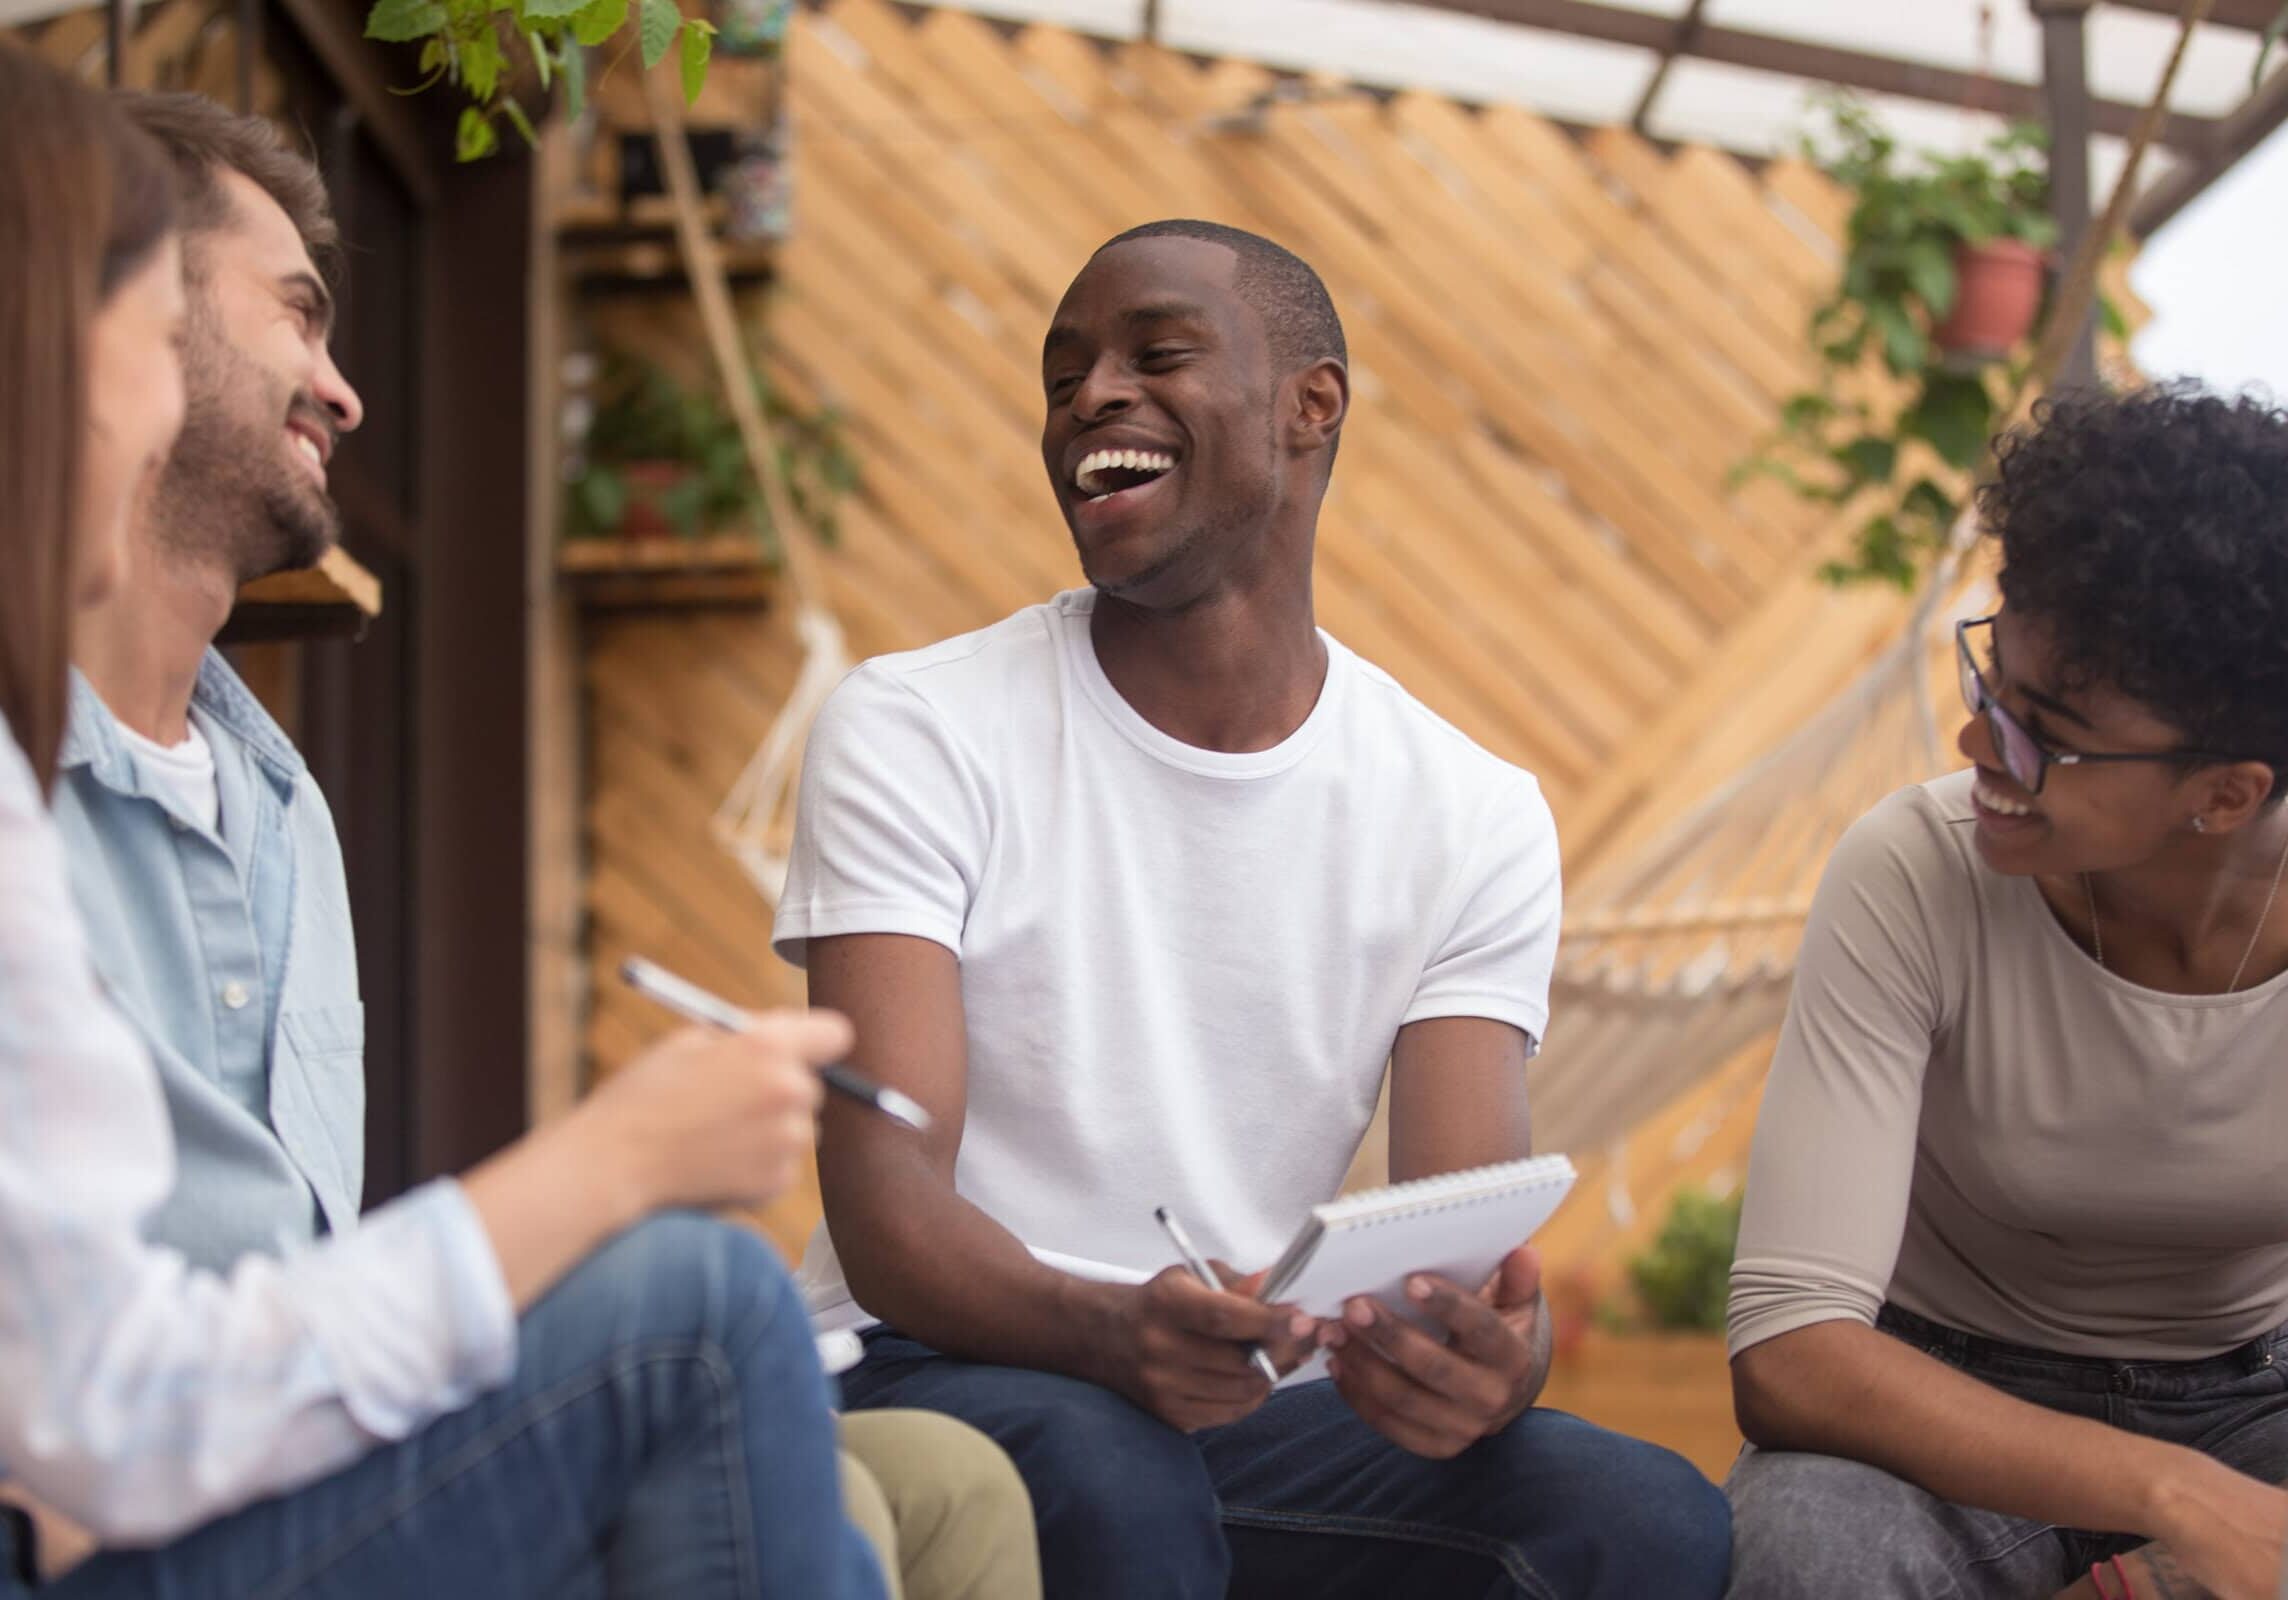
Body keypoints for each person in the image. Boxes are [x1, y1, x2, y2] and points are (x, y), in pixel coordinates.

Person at [47, 90, 1036, 1600]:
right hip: (113, 1501)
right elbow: (92, 1401)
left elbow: (294, 1288)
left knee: (948, 1482)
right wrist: (616, 1160)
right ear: (100, 334)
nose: (347, 390)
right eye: (299, 319)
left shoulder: (286, 807)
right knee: (698, 1314)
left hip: (278, 1446)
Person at [774, 217, 1732, 1600]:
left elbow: (1458, 1238)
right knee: (1118, 1479)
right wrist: (1113, 1334)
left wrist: (1484, 1366)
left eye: (1156, 353)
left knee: (1640, 1520)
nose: (1091, 395)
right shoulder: (917, 727)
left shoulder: (1469, 812)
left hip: (1240, 1397)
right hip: (939, 1371)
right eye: (1064, 376)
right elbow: (888, 1211)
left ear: (1310, 406)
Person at [1723, 386, 2288, 1600]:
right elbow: (1793, 1351)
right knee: (1802, 1553)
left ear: (2226, 794)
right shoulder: (1912, 869)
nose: (1979, 747)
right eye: (1989, 683)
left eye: (2046, 734)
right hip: (1940, 1408)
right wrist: (2168, 1499)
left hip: (2256, 1397)